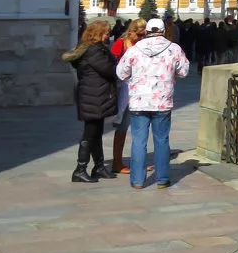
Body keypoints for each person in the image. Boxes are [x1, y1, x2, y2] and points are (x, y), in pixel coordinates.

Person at [115, 17, 190, 189]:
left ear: (147, 31)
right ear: (163, 31)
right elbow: (184, 71)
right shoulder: (174, 49)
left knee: (139, 141)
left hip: (139, 101)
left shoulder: (134, 50)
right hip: (162, 101)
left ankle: (137, 181)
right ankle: (162, 179)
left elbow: (121, 73)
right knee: (162, 140)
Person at [62, 20, 118, 183]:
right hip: (93, 95)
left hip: (95, 94)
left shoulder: (94, 48)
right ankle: (80, 169)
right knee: (90, 133)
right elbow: (109, 70)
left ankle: (99, 167)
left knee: (96, 132)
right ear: (97, 34)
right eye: (106, 32)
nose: (109, 35)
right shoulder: (94, 51)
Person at [109, 19, 147, 174]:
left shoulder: (143, 44)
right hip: (124, 89)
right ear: (133, 31)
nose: (142, 36)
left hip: (141, 89)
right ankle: (117, 162)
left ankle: (138, 163)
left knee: (139, 127)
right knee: (122, 126)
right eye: (139, 33)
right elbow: (111, 63)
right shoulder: (121, 43)